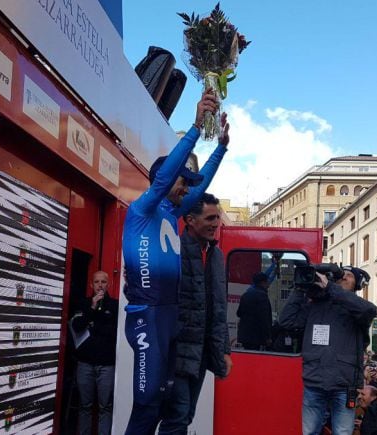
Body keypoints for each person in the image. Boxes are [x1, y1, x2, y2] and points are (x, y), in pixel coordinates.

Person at [122, 90, 228, 435]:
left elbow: (201, 188)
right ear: (163, 181)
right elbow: (167, 178)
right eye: (183, 182)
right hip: (148, 315)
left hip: (171, 315)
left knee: (163, 403)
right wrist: (196, 127)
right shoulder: (143, 210)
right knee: (148, 399)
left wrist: (222, 149)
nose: (187, 190)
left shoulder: (173, 212)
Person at [158, 193, 232, 434]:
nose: (216, 224)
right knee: (177, 416)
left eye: (217, 218)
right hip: (176, 353)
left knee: (186, 415)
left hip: (200, 354)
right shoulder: (173, 250)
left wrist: (223, 351)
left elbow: (218, 308)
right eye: (210, 218)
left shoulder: (216, 255)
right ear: (190, 219)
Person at [279, 265, 377, 435]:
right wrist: (300, 289)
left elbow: (370, 310)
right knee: (309, 432)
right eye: (340, 276)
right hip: (314, 382)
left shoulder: (358, 309)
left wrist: (331, 287)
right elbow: (287, 321)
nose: (344, 278)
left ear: (358, 285)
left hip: (344, 385)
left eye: (349, 276)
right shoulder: (316, 305)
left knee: (343, 432)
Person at [70, 271, 118, 435]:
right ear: (91, 284)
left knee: (106, 406)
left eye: (103, 282)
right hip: (85, 364)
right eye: (96, 282)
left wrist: (93, 325)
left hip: (107, 365)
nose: (100, 285)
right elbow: (76, 327)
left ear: (109, 284)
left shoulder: (115, 306)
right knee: (85, 406)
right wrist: (91, 308)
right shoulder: (83, 303)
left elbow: (114, 333)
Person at [236, 271, 273, 350]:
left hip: (244, 335)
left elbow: (239, 313)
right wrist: (267, 337)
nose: (268, 284)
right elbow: (264, 319)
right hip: (257, 337)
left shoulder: (246, 295)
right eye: (267, 282)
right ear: (263, 282)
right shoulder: (262, 296)